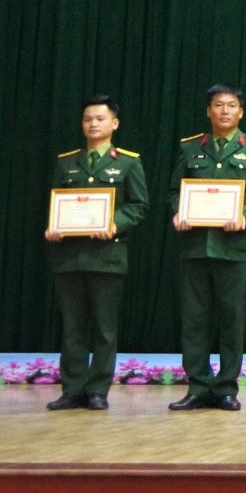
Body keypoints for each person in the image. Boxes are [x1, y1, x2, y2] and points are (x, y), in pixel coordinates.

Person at [168, 84, 246, 411]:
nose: (224, 111)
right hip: (196, 248)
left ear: (241, 112)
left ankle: (227, 387)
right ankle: (198, 387)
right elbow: (175, 191)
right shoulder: (190, 148)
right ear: (208, 111)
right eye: (218, 105)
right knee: (194, 322)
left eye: (231, 106)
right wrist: (179, 212)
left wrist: (245, 216)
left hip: (235, 249)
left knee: (233, 321)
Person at [44, 96, 148, 411]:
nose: (93, 124)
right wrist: (54, 226)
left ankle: (98, 390)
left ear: (114, 124)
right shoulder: (67, 162)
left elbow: (139, 205)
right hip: (70, 257)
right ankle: (72, 389)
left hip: (107, 258)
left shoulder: (128, 162)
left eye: (100, 119)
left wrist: (114, 224)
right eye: (88, 119)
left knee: (104, 329)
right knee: (72, 328)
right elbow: (57, 203)